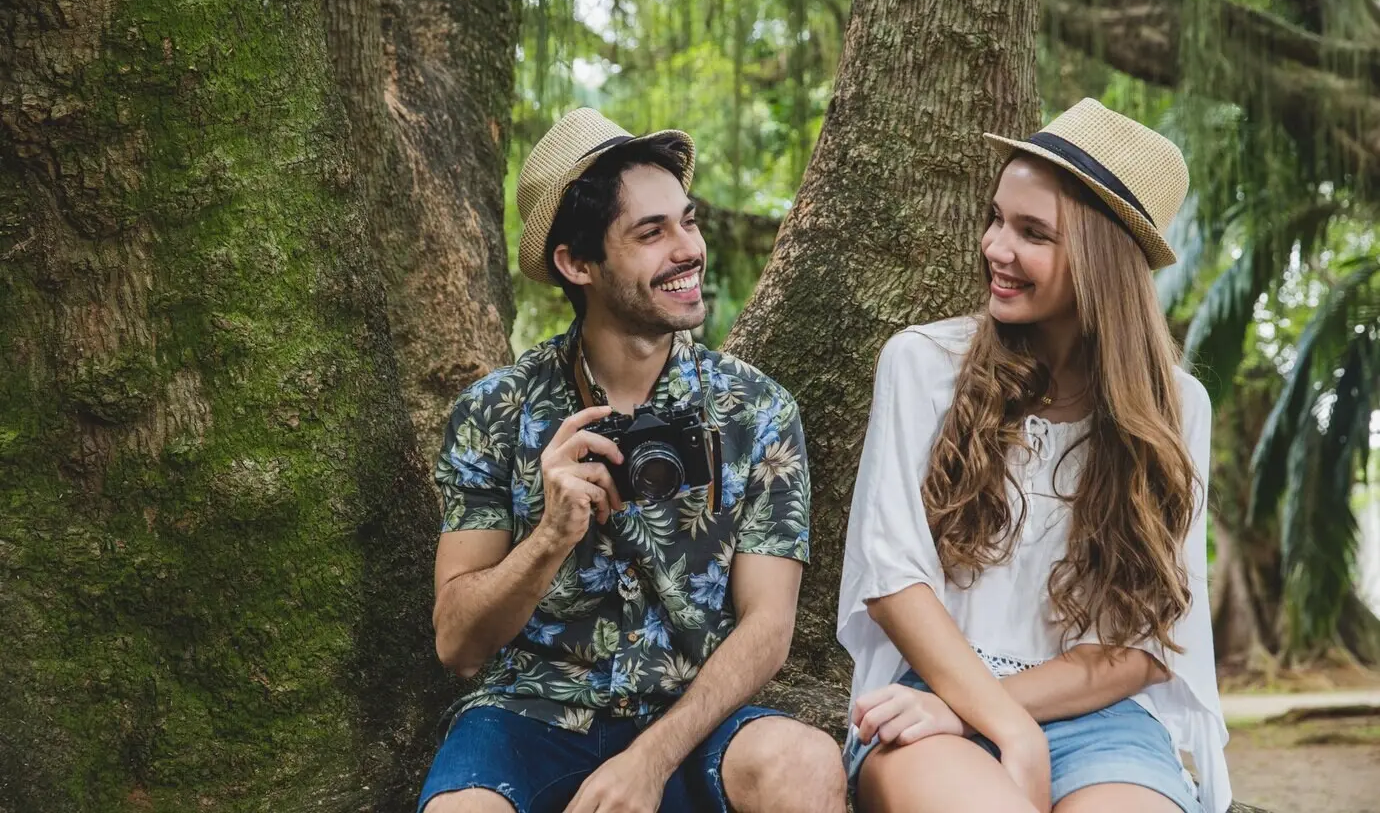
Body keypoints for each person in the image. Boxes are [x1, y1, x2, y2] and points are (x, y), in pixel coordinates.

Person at [420, 108, 846, 813]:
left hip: (694, 714)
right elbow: (457, 644)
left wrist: (650, 760)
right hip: (534, 714)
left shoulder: (756, 409)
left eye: (689, 220)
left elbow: (769, 627)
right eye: (651, 233)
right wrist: (551, 536)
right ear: (576, 263)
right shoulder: (495, 412)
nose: (689, 249)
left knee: (805, 764)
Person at [837, 98, 1231, 813]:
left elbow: (1143, 644)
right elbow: (891, 578)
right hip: (930, 696)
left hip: (1104, 724)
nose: (995, 247)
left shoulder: (1176, 408)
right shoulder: (924, 365)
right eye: (996, 218)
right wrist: (997, 724)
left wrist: (1001, 716)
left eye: (1032, 233)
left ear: (1103, 262)